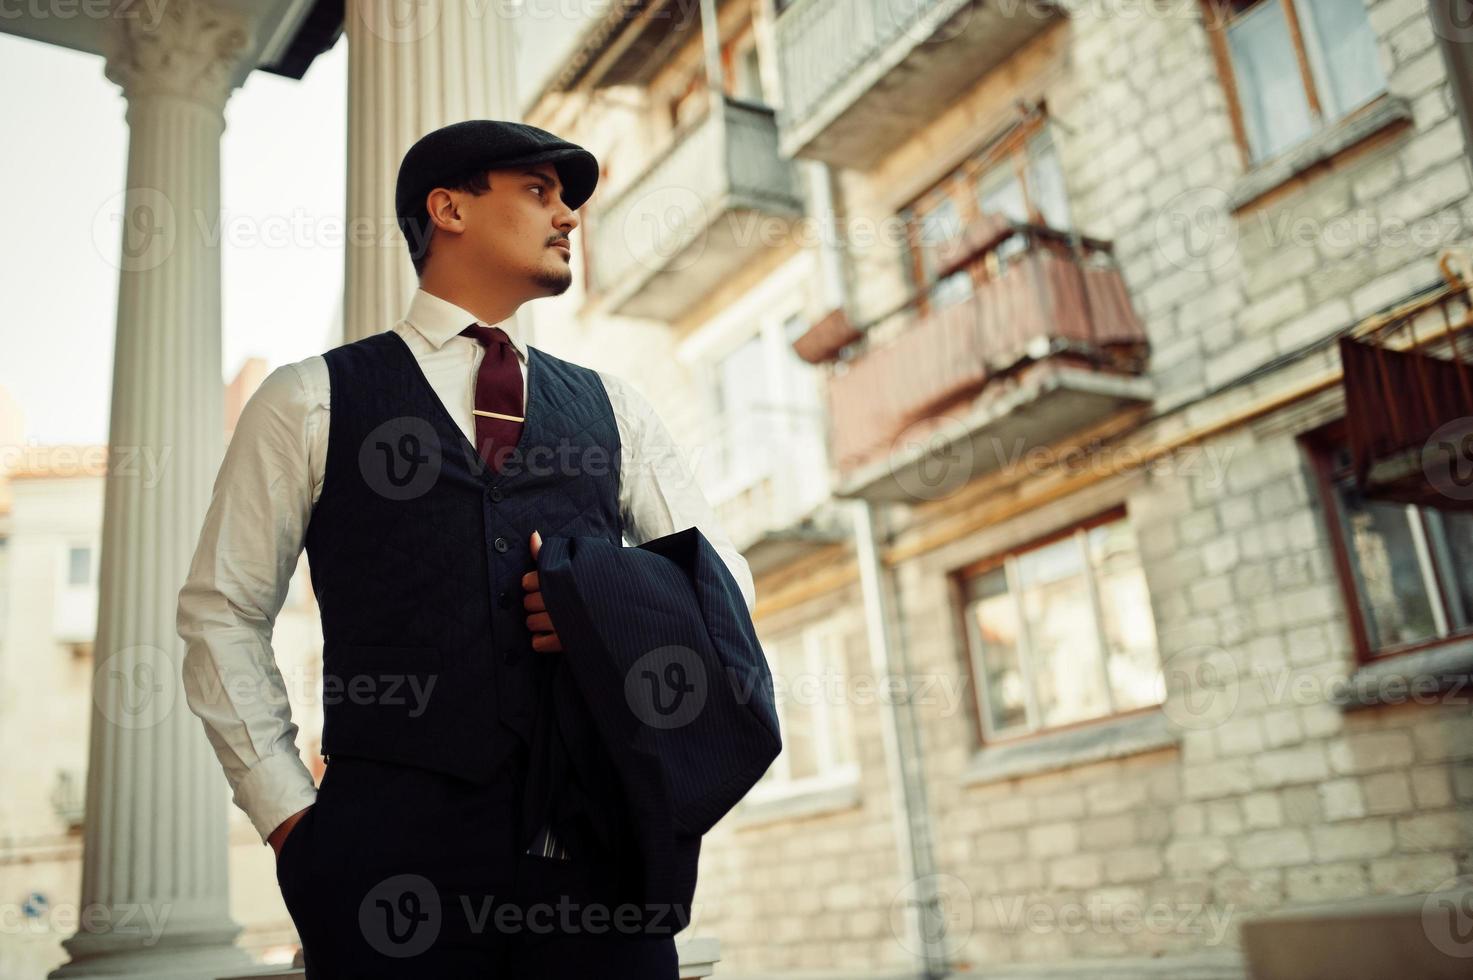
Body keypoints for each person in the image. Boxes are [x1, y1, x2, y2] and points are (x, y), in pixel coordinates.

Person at [177, 119, 757, 978]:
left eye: (567, 201)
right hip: (383, 869)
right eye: (537, 191)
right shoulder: (309, 399)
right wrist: (293, 822)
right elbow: (221, 612)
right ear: (446, 208)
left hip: (598, 859)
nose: (567, 217)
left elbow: (723, 583)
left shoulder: (616, 408)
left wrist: (607, 609)